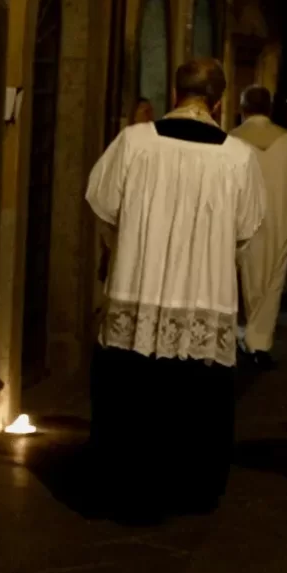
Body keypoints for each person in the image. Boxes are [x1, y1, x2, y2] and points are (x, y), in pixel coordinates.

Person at [84, 58, 264, 515]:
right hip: (204, 292)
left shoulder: (134, 142)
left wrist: (132, 250)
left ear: (174, 93)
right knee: (195, 398)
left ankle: (124, 480)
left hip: (138, 290)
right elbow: (246, 228)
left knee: (132, 394)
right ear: (219, 104)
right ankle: (192, 486)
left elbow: (103, 205)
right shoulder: (238, 156)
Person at [232, 86, 287, 362]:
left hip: (240, 220)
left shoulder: (230, 141)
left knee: (240, 281)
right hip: (280, 220)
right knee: (272, 283)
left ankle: (242, 335)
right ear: (269, 109)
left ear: (243, 108)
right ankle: (260, 343)